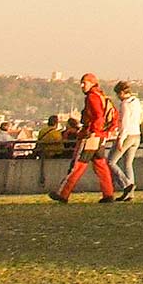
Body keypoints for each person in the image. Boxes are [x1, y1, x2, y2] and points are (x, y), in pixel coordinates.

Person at [50, 73, 118, 203]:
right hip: (100, 137)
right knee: (100, 165)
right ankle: (108, 194)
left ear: (92, 83)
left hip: (91, 136)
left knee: (78, 165)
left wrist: (91, 131)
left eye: (84, 83)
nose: (82, 86)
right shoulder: (102, 96)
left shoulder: (92, 97)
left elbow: (98, 116)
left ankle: (63, 193)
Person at [108, 80, 143, 201]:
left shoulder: (125, 104)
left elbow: (124, 124)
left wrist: (120, 139)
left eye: (118, 94)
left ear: (122, 93)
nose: (118, 97)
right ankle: (130, 194)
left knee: (111, 162)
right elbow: (140, 119)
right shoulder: (137, 102)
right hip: (137, 135)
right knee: (128, 164)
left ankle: (126, 185)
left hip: (127, 136)